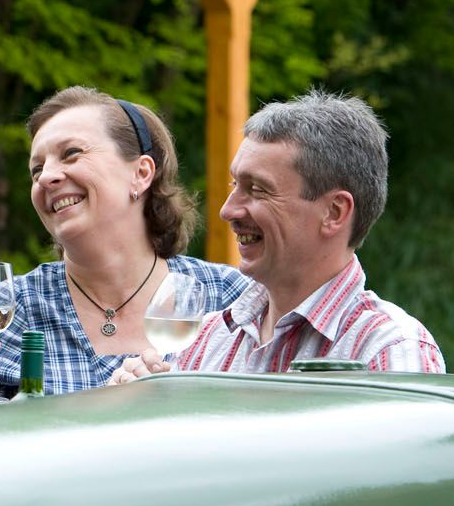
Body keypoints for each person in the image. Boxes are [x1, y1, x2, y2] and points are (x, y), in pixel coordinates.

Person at [0, 86, 247, 405]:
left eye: (71, 153)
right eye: (36, 169)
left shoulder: (228, 297)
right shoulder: (10, 306)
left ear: (141, 174)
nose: (45, 178)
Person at [112, 90, 443, 381]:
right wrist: (144, 414)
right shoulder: (206, 340)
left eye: (257, 190)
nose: (228, 211)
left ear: (334, 213)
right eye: (234, 186)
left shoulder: (390, 351)